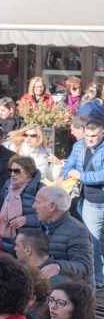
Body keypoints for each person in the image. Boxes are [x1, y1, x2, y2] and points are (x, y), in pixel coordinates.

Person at [61, 118, 104, 288]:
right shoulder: (80, 145)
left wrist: (81, 176)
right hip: (86, 199)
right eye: (87, 135)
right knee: (92, 240)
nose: (89, 139)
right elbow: (69, 165)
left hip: (98, 198)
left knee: (95, 240)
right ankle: (98, 278)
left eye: (93, 136)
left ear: (102, 133)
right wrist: (67, 175)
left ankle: (98, 277)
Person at [33, 186, 94, 287]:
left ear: (52, 206)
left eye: (37, 202)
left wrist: (58, 267)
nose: (33, 206)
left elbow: (84, 266)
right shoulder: (43, 225)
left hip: (74, 295)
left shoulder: (77, 231)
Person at [0, 154, 42, 254]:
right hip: (7, 240)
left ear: (28, 172)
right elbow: (0, 204)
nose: (12, 174)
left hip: (29, 244)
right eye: (11, 170)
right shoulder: (8, 185)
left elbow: (49, 219)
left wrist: (27, 220)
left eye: (17, 171)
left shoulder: (40, 189)